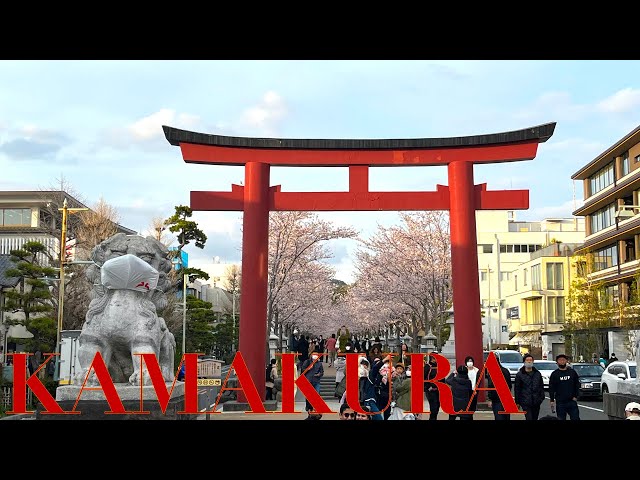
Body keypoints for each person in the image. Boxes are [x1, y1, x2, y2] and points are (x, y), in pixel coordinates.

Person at [549, 353, 580, 420]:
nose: (562, 361)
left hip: (571, 401)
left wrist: (576, 396)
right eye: (560, 360)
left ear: (566, 361)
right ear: (557, 362)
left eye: (563, 360)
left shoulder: (572, 372)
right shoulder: (554, 374)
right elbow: (551, 387)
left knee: (576, 418)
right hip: (560, 402)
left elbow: (577, 384)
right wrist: (552, 400)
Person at [514, 353, 545, 421]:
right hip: (525, 401)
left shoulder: (537, 374)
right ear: (524, 362)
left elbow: (541, 386)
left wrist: (541, 398)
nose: (529, 361)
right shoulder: (520, 375)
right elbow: (517, 389)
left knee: (535, 418)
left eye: (530, 360)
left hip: (536, 401)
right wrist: (517, 402)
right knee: (529, 418)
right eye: (527, 360)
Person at [358, 355, 386, 420]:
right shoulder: (368, 375)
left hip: (372, 399)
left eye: (366, 365)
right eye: (362, 364)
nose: (364, 366)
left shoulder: (376, 376)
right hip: (367, 400)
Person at [486, 354, 513, 421]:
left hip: (496, 399)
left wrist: (490, 399)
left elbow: (490, 386)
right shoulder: (505, 371)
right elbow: (509, 385)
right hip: (506, 398)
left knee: (499, 417)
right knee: (506, 417)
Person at [301, 348, 324, 414]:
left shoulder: (319, 364)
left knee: (317, 394)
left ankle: (315, 407)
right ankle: (309, 407)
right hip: (308, 380)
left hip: (316, 381)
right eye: (314, 354)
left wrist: (319, 374)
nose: (315, 356)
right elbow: (303, 370)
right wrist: (308, 368)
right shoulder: (307, 362)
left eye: (317, 355)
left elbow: (322, 372)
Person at [424, 355, 444, 420]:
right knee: (433, 407)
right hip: (430, 390)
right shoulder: (427, 366)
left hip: (438, 390)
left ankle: (433, 418)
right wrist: (427, 387)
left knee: (437, 406)